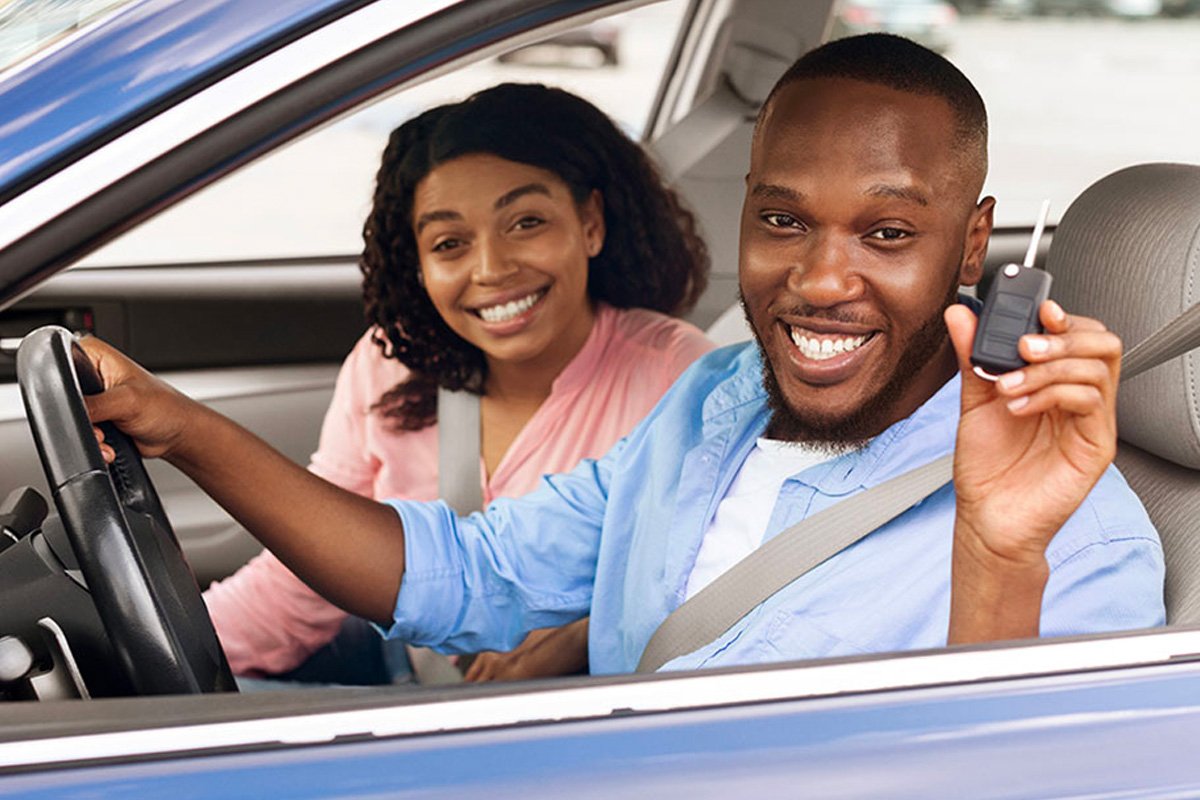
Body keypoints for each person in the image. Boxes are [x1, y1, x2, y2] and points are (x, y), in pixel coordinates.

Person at [83, 34, 1163, 676]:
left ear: (972, 242)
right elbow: (470, 572)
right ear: (746, 210)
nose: (824, 280)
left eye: (887, 234)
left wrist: (1001, 556)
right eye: (786, 222)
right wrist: (177, 424)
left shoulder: (1074, 530)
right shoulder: (716, 397)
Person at [200, 83, 714, 683]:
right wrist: (148, 659)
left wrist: (581, 636)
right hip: (410, 669)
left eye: (526, 223)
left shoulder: (677, 375)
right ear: (420, 264)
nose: (492, 269)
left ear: (590, 223)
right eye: (450, 243)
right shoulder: (390, 362)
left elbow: (710, 578)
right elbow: (297, 586)